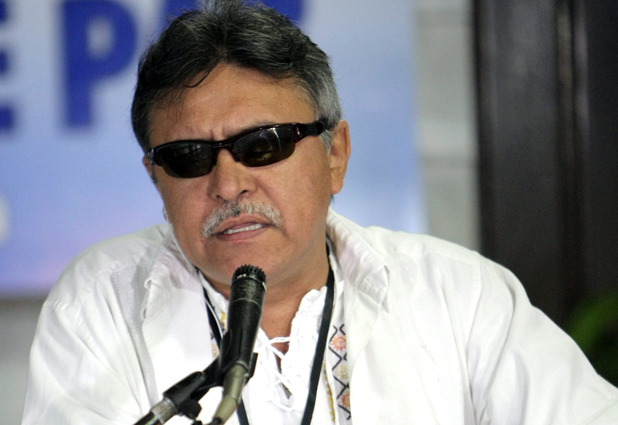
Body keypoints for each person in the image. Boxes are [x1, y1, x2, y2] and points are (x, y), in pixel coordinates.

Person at [22, 1, 618, 424]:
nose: (228, 184)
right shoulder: (101, 303)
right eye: (189, 157)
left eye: (263, 145)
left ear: (336, 155)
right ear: (157, 178)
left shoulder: (460, 297)